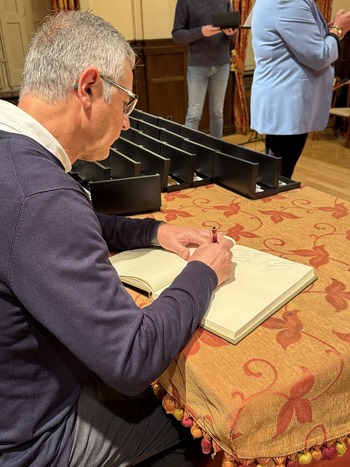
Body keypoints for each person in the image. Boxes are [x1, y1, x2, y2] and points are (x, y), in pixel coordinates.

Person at [0, 10, 234, 467]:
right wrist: (203, 273)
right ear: (88, 88)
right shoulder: (41, 198)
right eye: (126, 103)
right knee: (202, 422)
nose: (128, 122)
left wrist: (154, 231)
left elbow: (77, 223)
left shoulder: (16, 159)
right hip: (30, 440)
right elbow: (132, 357)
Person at [250, 0, 350, 178]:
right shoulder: (289, 2)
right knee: (278, 176)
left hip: (282, 97)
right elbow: (319, 57)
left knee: (275, 171)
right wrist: (338, 30)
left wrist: (322, 32)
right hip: (288, 100)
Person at [172, 0, 236, 139]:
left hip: (222, 64)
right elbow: (177, 35)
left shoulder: (225, 1)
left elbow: (233, 35)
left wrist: (231, 33)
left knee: (218, 113)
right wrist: (201, 31)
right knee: (194, 114)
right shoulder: (185, 2)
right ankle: (188, 153)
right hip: (197, 66)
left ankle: (216, 151)